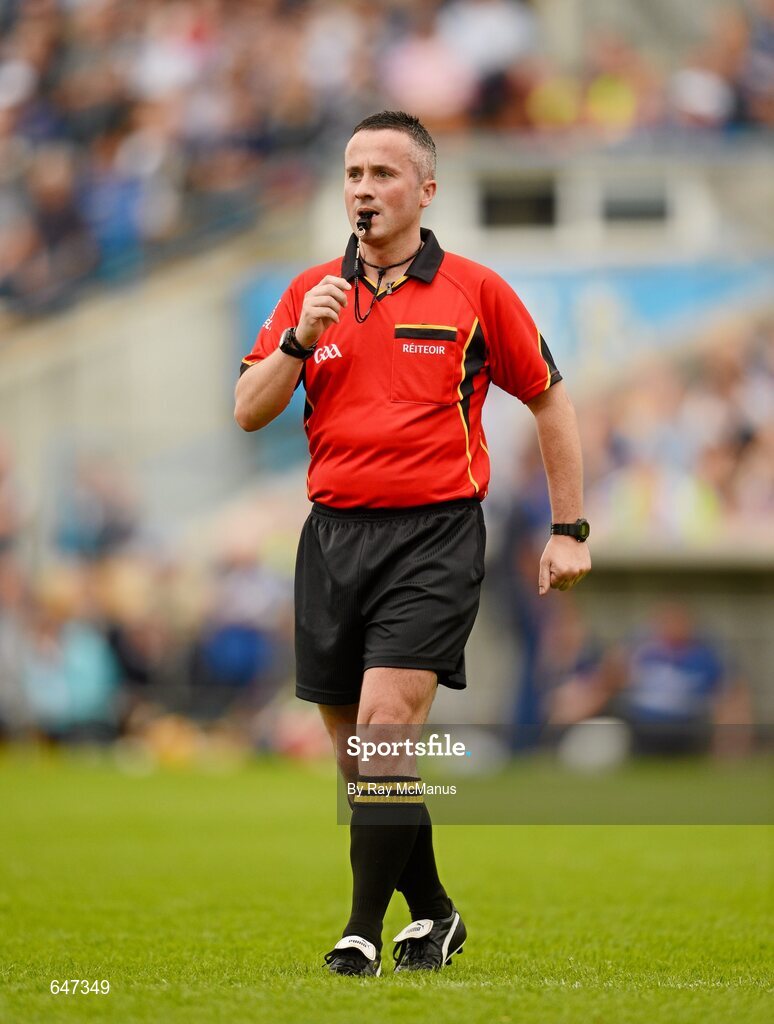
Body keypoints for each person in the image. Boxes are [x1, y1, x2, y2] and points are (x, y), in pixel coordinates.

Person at [234, 110, 591, 977]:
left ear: (425, 191)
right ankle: (433, 911)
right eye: (354, 174)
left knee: (390, 731)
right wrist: (297, 339)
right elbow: (249, 410)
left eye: (384, 174)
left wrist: (568, 529)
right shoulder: (308, 293)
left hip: (434, 537)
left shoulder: (475, 289)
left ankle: (359, 932)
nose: (364, 189)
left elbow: (548, 399)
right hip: (331, 539)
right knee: (363, 759)